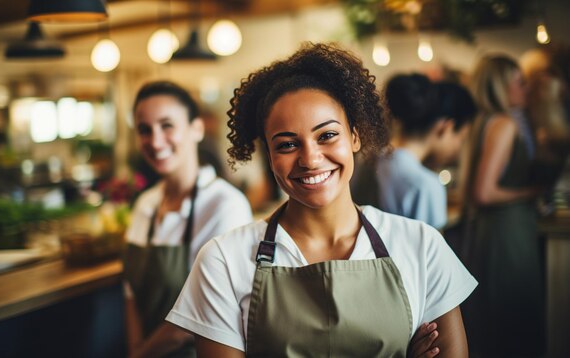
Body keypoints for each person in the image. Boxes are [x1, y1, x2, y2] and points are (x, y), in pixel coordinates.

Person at [166, 43, 477, 357]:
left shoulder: (422, 246)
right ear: (270, 156)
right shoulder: (223, 261)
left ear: (355, 136)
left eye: (327, 135)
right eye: (287, 144)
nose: (311, 159)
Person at [122, 81, 253, 358]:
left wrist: (140, 355)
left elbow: (200, 311)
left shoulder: (225, 205)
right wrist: (134, 350)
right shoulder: (146, 203)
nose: (155, 141)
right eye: (145, 130)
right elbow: (131, 292)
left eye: (167, 125)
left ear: (196, 129)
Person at [460, 54, 546, 357]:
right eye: (519, 82)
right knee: (511, 319)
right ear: (501, 86)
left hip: (497, 229)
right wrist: (530, 192)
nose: (526, 89)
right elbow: (483, 193)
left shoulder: (485, 121)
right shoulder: (504, 124)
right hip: (506, 231)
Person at [376, 74, 476, 229]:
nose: (458, 149)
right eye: (461, 139)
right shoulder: (426, 185)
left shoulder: (373, 158)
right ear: (445, 128)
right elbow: (432, 251)